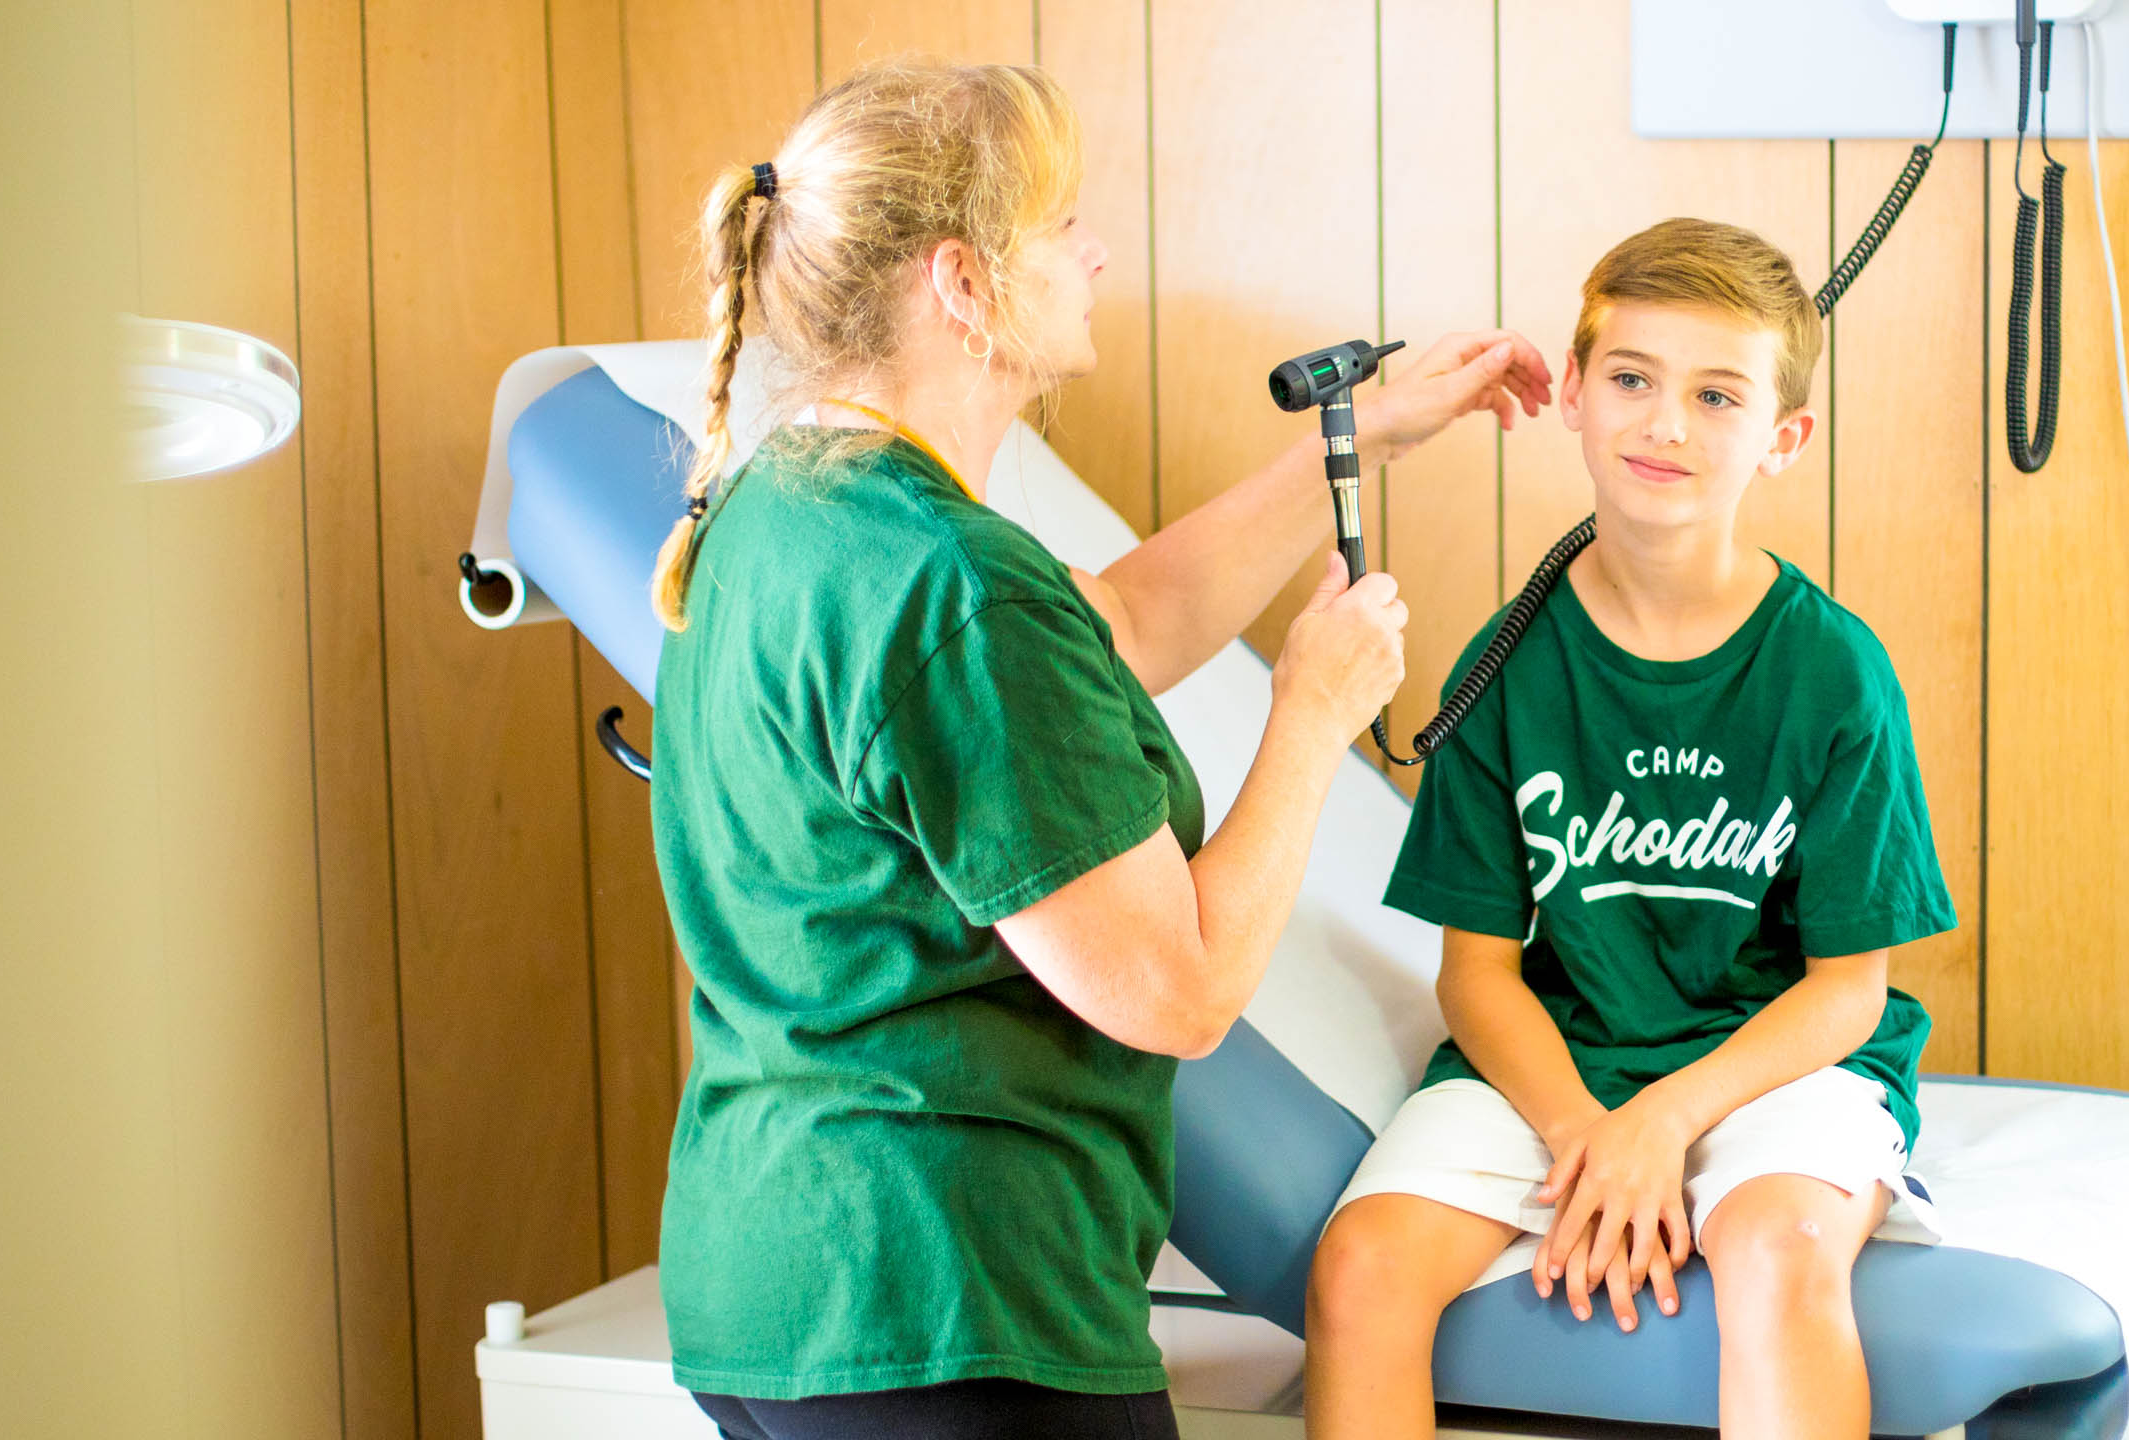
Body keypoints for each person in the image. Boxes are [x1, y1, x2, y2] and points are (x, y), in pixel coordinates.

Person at [643, 60, 1552, 1440]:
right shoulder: (953, 584)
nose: (1096, 252)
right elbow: (1179, 991)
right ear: (963, 283)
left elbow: (1115, 623)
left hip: (769, 1297)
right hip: (952, 1311)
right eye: (1059, 225)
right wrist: (1310, 710)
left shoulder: (785, 510)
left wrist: (1355, 440)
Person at [1303, 218, 1959, 1440]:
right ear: (1576, 394)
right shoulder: (1506, 663)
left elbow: (1846, 995)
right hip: (1557, 1065)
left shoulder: (1834, 674)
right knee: (1363, 1268)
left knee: (1779, 1246)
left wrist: (1665, 1123)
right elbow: (1477, 974)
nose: (1666, 425)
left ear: (1784, 436)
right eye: (1633, 380)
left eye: (1718, 396)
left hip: (1774, 1062)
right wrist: (1586, 1135)